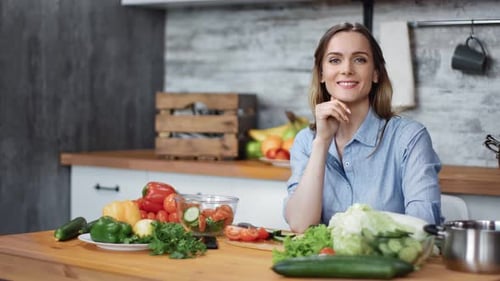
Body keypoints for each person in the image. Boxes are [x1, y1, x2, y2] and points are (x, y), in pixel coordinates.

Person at [284, 22, 441, 233]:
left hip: (388, 264)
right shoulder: (306, 141)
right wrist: (321, 142)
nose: (347, 69)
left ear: (376, 73)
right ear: (321, 74)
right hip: (323, 263)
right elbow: (300, 226)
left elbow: (423, 226)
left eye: (359, 59)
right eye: (334, 60)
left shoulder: (409, 138)